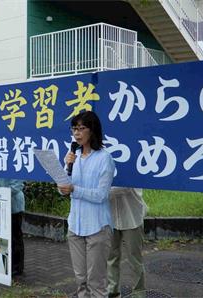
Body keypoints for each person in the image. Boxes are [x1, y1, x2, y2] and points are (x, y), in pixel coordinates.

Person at [57, 111, 115, 298]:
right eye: (74, 129)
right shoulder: (72, 157)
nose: (77, 133)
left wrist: (74, 189)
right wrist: (66, 169)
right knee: (81, 281)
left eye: (81, 128)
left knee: (96, 282)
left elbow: (101, 195)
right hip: (75, 227)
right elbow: (63, 189)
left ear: (93, 130)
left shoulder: (104, 158)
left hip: (97, 228)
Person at [107, 188, 147, 297]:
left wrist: (98, 192)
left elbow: (125, 187)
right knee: (110, 257)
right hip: (109, 216)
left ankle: (139, 294)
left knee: (135, 259)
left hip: (131, 215)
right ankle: (112, 292)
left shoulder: (129, 171)